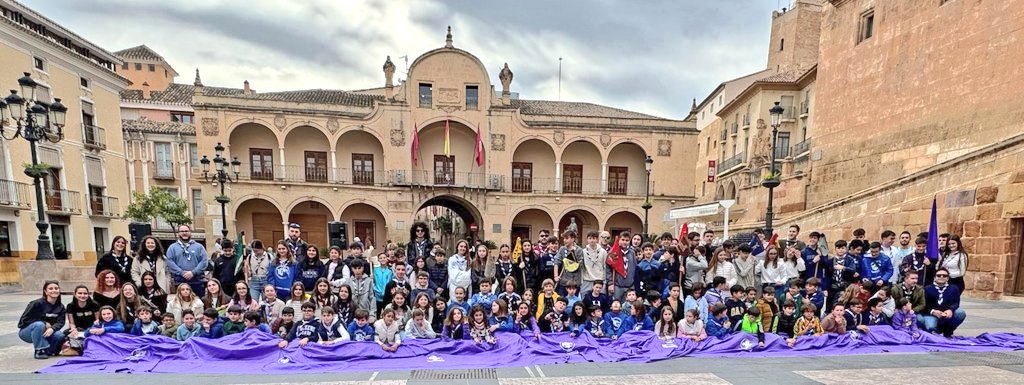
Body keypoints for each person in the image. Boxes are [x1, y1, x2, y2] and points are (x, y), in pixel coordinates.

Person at [18, 280, 65, 359]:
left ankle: (50, 350)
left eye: (56, 288)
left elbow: (61, 322)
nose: (54, 290)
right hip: (28, 332)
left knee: (59, 335)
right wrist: (43, 322)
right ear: (45, 292)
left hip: (47, 332)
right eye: (50, 289)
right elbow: (23, 321)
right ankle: (39, 350)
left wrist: (52, 329)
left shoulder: (61, 307)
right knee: (39, 324)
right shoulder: (36, 304)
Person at [166, 225, 210, 297]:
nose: (184, 233)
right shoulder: (172, 248)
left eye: (186, 231)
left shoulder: (199, 247)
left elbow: (204, 261)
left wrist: (193, 272)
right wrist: (182, 273)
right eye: (182, 231)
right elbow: (170, 262)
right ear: (178, 233)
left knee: (199, 303)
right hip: (180, 281)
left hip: (197, 280)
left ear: (190, 232)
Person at [923, 268, 967, 337]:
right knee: (930, 327)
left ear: (948, 278)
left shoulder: (954, 288)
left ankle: (948, 331)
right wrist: (933, 311)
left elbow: (956, 303)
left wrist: (950, 310)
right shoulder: (927, 288)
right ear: (934, 277)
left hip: (947, 313)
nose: (941, 277)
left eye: (944, 275)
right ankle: (936, 330)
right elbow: (924, 305)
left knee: (960, 313)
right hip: (932, 314)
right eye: (939, 275)